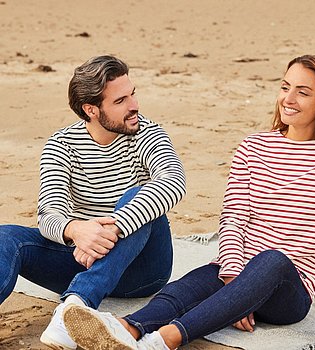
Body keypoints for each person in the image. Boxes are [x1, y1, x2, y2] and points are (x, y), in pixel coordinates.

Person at [61, 54, 315, 350]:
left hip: (290, 290)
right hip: (238, 271)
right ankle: (127, 328)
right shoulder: (253, 147)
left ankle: (164, 340)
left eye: (303, 92)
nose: (288, 99)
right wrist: (236, 287)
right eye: (285, 87)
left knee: (272, 260)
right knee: (192, 283)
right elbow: (234, 219)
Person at [0, 55, 186, 350]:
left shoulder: (147, 133)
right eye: (120, 100)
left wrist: (113, 229)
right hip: (82, 257)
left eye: (132, 94)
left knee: (137, 196)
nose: (134, 105)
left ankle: (74, 305)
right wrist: (77, 231)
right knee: (6, 237)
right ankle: (76, 302)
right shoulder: (61, 145)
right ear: (91, 109)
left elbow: (172, 181)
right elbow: (49, 214)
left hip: (142, 270)